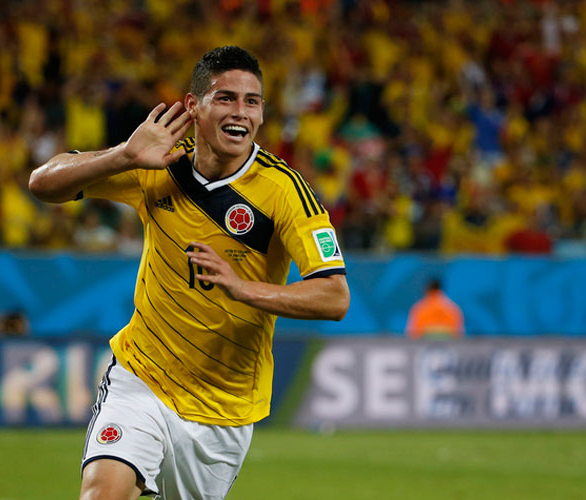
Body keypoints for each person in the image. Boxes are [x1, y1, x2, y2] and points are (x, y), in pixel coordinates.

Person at [29, 46, 350, 500]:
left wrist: (243, 289)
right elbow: (43, 183)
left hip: (225, 409)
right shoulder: (156, 165)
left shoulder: (286, 193)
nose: (241, 111)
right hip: (143, 378)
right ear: (193, 106)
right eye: (226, 98)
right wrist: (123, 155)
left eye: (252, 101)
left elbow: (334, 297)